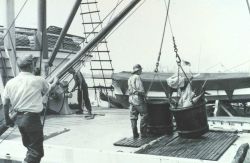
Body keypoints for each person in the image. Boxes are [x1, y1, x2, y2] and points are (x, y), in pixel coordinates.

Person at [1, 54, 58, 163]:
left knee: (30, 148)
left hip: (19, 119)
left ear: (19, 67)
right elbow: (50, 89)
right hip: (32, 119)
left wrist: (7, 119)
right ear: (31, 65)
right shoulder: (38, 80)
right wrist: (55, 80)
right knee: (37, 152)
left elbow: (5, 103)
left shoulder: (10, 83)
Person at [128, 64, 148, 138]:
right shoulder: (137, 77)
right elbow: (141, 90)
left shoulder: (130, 78)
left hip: (131, 98)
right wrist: (145, 96)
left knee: (133, 116)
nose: (141, 71)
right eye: (141, 70)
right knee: (144, 115)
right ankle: (143, 134)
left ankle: (135, 134)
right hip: (137, 98)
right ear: (138, 70)